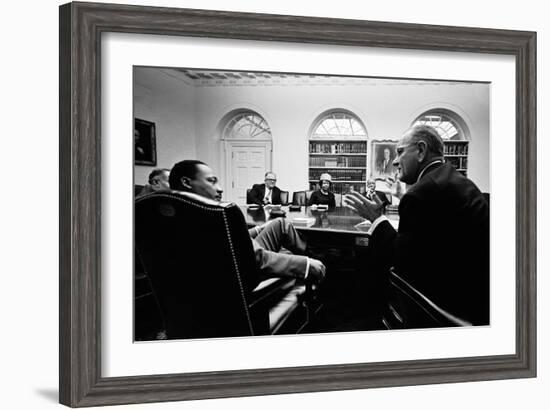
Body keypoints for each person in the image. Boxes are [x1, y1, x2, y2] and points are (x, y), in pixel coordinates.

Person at [344, 125, 489, 325]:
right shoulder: (453, 178)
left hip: (445, 305)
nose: (395, 161)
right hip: (478, 295)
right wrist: (402, 197)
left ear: (421, 150)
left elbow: (401, 260)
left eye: (400, 152)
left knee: (371, 266)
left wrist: (376, 218)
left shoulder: (422, 192)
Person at [168, 160, 326, 282]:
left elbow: (230, 239)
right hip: (244, 274)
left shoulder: (176, 214)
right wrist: (305, 264)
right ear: (186, 182)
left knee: (278, 223)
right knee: (284, 229)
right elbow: (258, 258)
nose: (220, 188)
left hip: (231, 265)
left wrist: (259, 229)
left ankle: (312, 253)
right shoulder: (216, 214)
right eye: (212, 181)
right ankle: (316, 257)